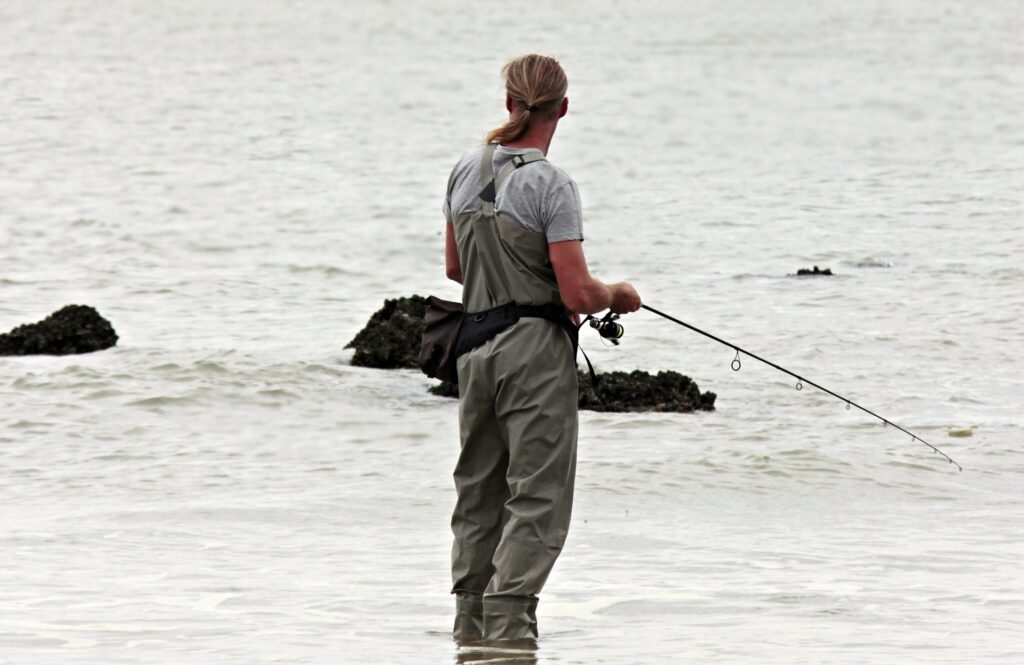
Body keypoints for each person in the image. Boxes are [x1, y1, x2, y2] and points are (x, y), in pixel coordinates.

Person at [442, 53, 641, 643]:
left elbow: (456, 269)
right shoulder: (551, 183)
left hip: (473, 350)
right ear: (563, 108)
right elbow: (579, 291)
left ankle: (469, 632)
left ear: (509, 103)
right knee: (538, 496)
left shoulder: (462, 170)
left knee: (478, 493)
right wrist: (620, 295)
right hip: (533, 353)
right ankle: (508, 632)